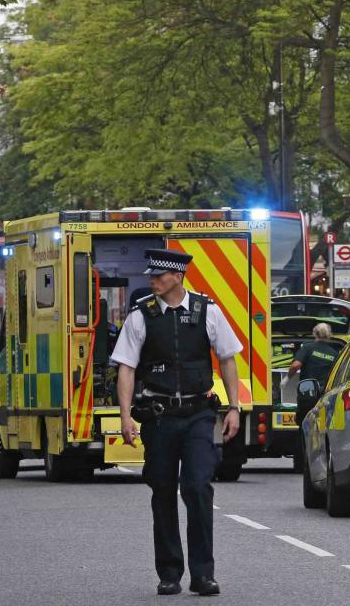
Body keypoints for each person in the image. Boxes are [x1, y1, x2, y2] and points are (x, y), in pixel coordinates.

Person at [112, 249, 243, 597]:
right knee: (163, 491)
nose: (151, 280)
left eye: (158, 276)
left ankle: (203, 574)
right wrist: (125, 416)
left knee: (198, 487)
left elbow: (228, 359)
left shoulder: (207, 311)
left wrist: (234, 407)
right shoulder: (141, 316)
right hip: (159, 416)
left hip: (199, 413)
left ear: (177, 277)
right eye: (151, 275)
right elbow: (125, 367)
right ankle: (169, 572)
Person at [285, 322, 339, 389]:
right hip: (325, 391)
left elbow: (295, 365)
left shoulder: (307, 348)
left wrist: (286, 379)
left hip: (307, 389)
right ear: (329, 335)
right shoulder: (334, 354)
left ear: (314, 333)